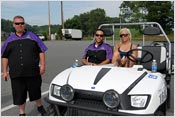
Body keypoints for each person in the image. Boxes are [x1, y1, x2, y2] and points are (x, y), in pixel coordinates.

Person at [1, 16, 48, 116]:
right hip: (16, 74)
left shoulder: (33, 36)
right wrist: (4, 71)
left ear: (24, 24)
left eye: (22, 23)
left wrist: (43, 65)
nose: (20, 25)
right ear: (13, 25)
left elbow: (41, 51)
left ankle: (39, 106)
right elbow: (5, 57)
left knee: (36, 91)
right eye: (17, 23)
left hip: (33, 72)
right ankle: (22, 113)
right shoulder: (9, 40)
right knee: (19, 95)